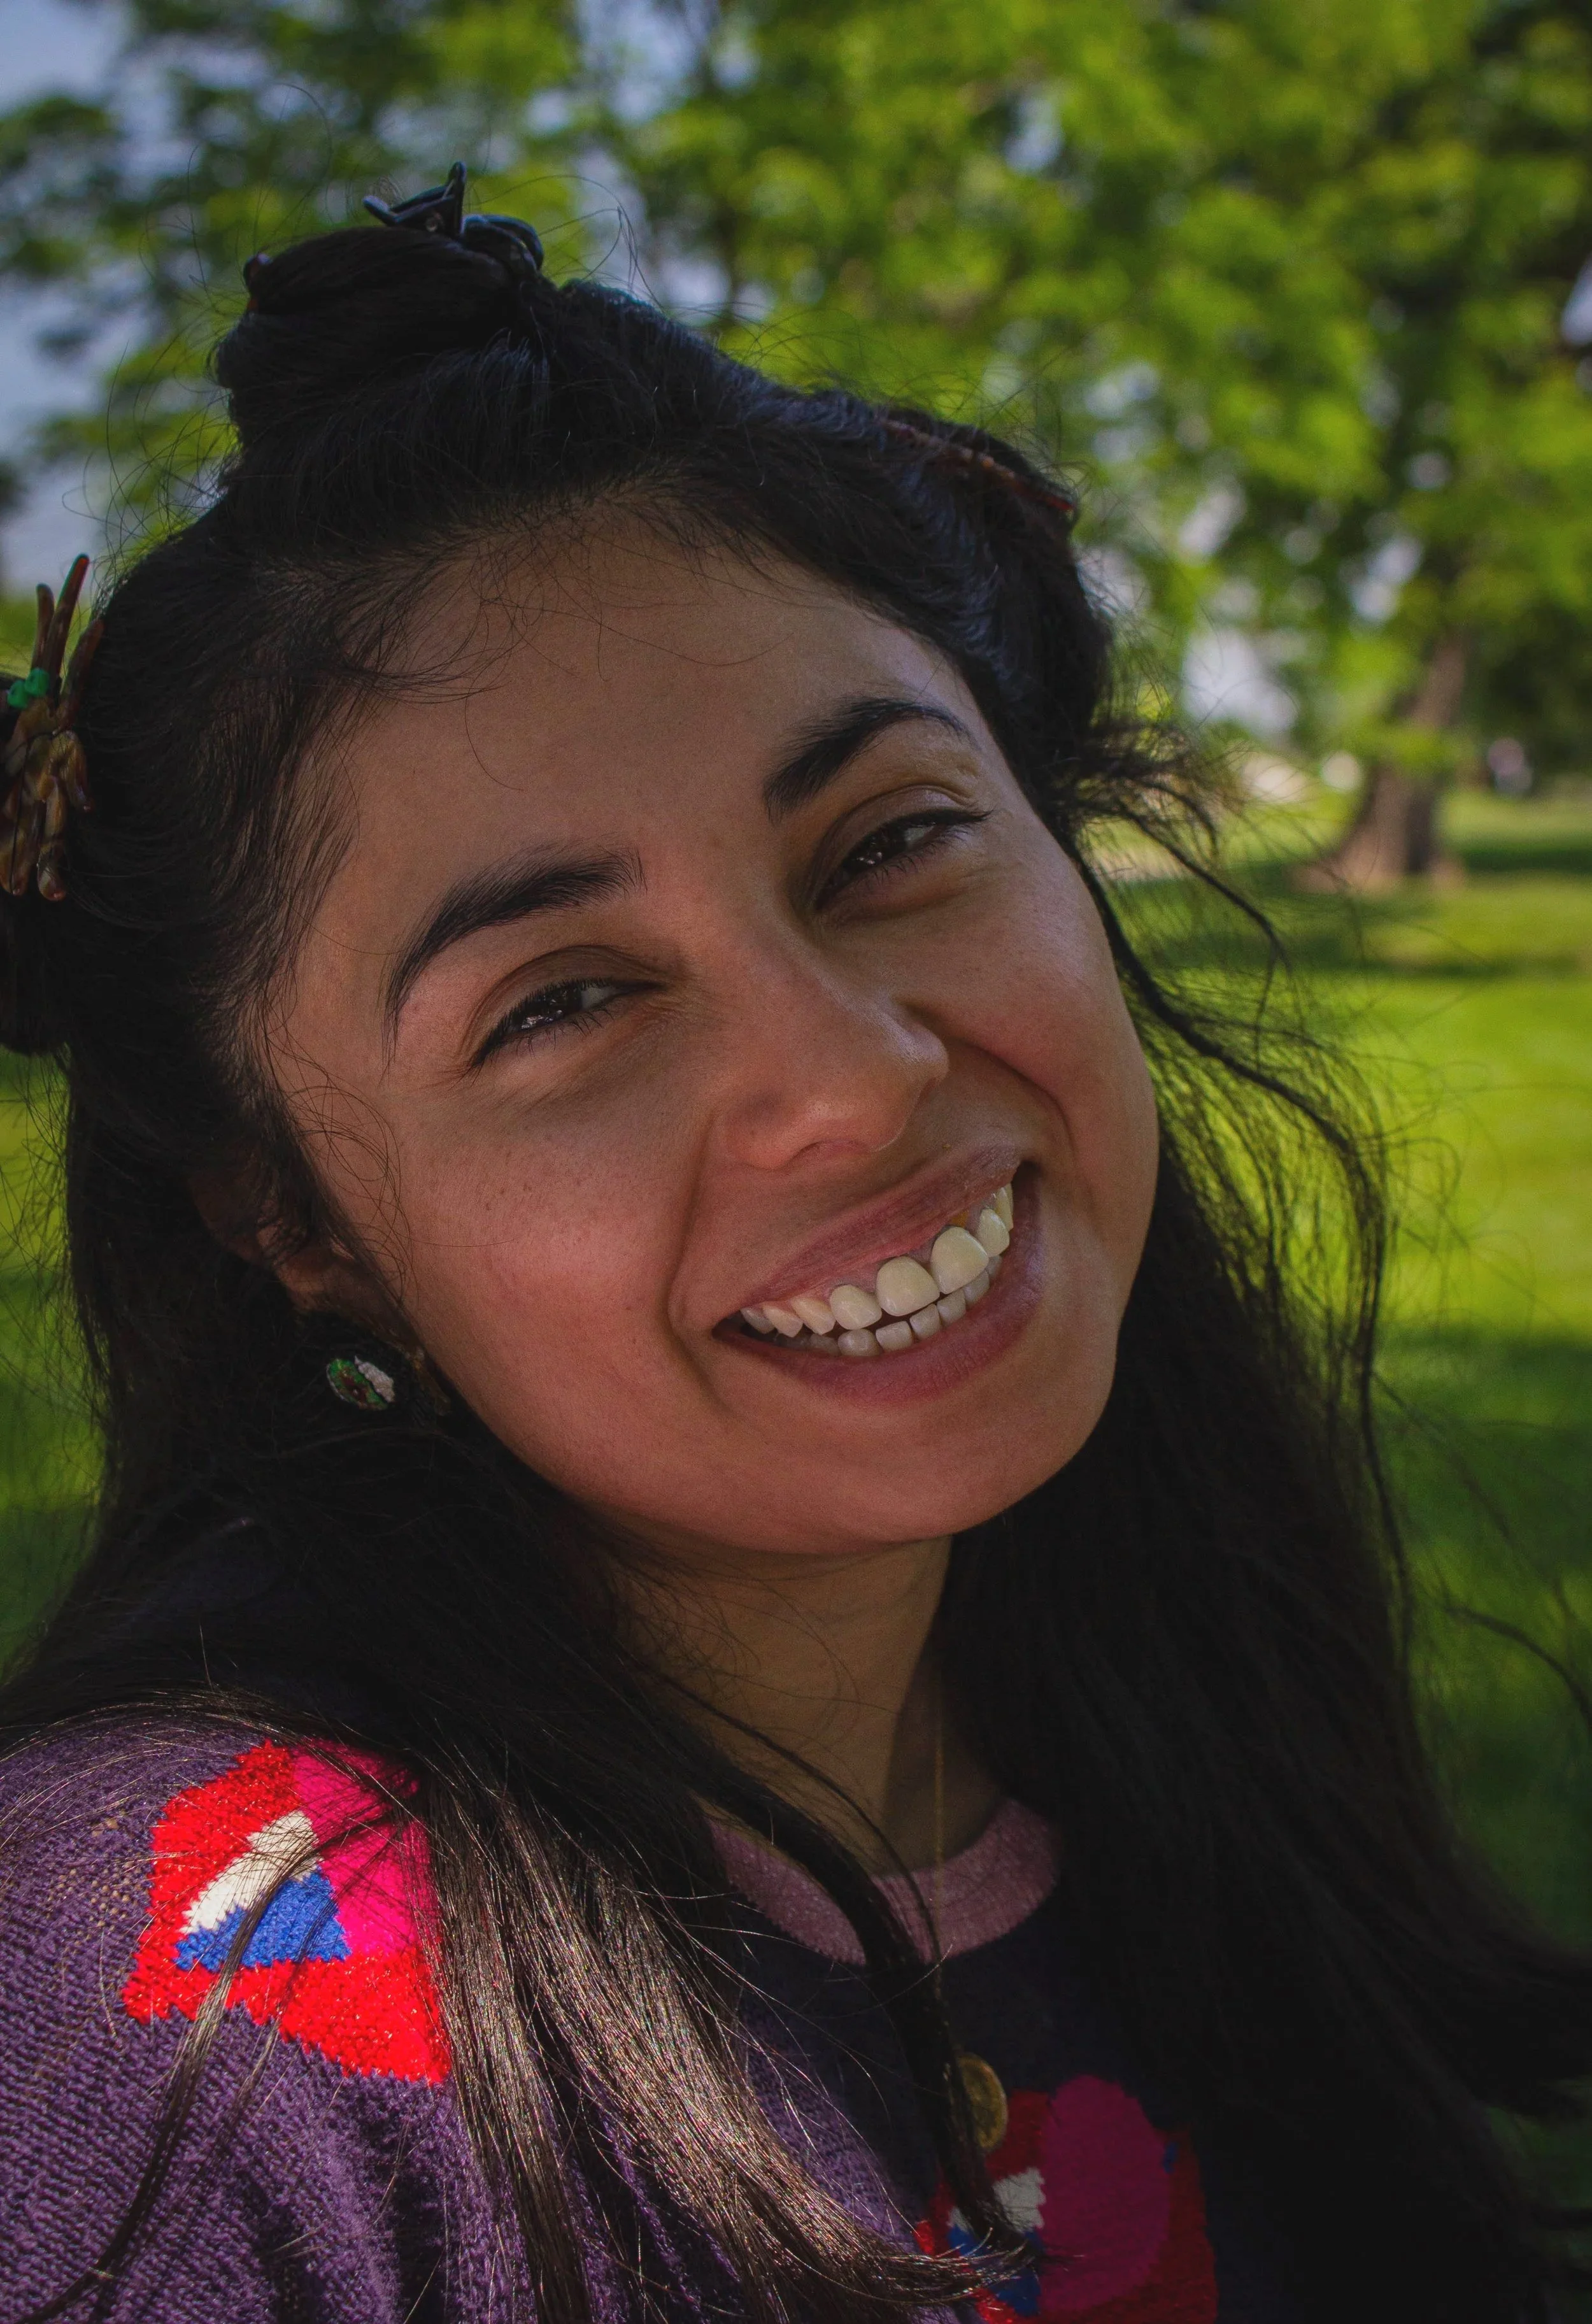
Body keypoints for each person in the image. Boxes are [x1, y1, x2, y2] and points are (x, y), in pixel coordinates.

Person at [0, 166, 1586, 2324]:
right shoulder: (167, 2047)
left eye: (890, 842)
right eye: (561, 1000)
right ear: (296, 1220)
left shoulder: (1141, 1667)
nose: (848, 1077)